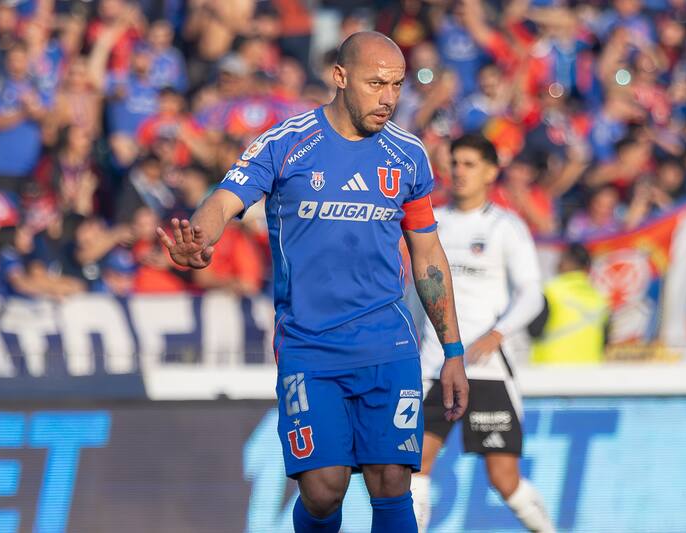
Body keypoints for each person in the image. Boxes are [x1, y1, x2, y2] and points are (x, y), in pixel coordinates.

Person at [156, 31, 469, 533]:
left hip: (387, 343)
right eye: (375, 83)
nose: (388, 98)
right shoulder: (287, 143)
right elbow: (224, 199)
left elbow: (428, 254)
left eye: (396, 85)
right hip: (310, 345)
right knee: (323, 490)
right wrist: (200, 238)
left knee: (392, 480)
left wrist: (453, 350)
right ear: (340, 78)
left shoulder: (408, 156)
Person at [411, 133, 555, 533]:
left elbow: (532, 294)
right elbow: (413, 290)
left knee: (504, 478)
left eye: (470, 164)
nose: (459, 171)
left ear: (491, 172)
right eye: (455, 163)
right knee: (414, 468)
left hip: (486, 368)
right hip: (434, 366)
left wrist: (498, 334)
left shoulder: (506, 227)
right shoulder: (430, 221)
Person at [530, 243, 610, 365]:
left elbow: (534, 330)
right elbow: (605, 340)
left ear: (564, 262)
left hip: (550, 371)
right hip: (589, 372)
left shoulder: (551, 291)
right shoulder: (599, 298)